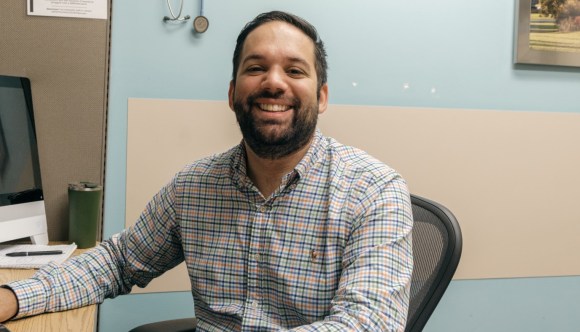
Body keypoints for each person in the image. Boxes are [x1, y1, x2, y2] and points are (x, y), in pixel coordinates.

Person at [0, 10, 413, 331]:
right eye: (255, 68)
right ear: (233, 94)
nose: (273, 82)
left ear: (321, 97)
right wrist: (13, 296)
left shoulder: (373, 191)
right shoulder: (195, 186)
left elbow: (368, 323)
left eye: (294, 70)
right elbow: (119, 261)